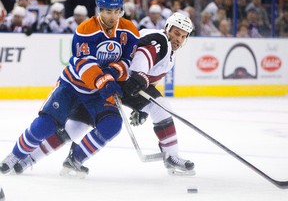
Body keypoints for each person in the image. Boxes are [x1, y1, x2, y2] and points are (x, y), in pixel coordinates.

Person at [4, 12, 195, 177]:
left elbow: (149, 73)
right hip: (119, 81)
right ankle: (171, 155)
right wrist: (139, 78)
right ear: (167, 28)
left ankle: (30, 160)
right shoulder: (161, 39)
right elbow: (146, 54)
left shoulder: (170, 52)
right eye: (176, 33)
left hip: (112, 83)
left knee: (77, 126)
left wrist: (141, 105)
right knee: (162, 108)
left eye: (183, 36)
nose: (178, 38)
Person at [0, 0, 139, 175]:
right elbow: (84, 63)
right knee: (45, 125)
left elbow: (128, 60)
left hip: (97, 93)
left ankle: (75, 159)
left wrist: (115, 71)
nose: (113, 16)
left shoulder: (129, 30)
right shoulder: (86, 29)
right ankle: (16, 155)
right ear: (99, 9)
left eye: (116, 11)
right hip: (72, 86)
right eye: (108, 11)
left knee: (112, 124)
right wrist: (105, 79)